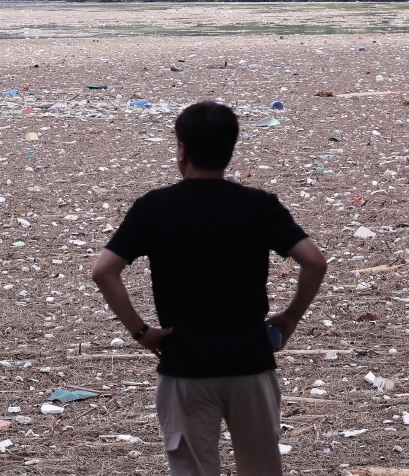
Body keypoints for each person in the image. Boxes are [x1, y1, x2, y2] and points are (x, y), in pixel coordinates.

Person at [91, 101, 326, 476]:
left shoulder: (154, 207)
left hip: (185, 365)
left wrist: (141, 332)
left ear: (181, 149)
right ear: (230, 149)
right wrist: (292, 314)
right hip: (250, 363)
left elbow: (104, 271)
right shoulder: (258, 205)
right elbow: (314, 261)